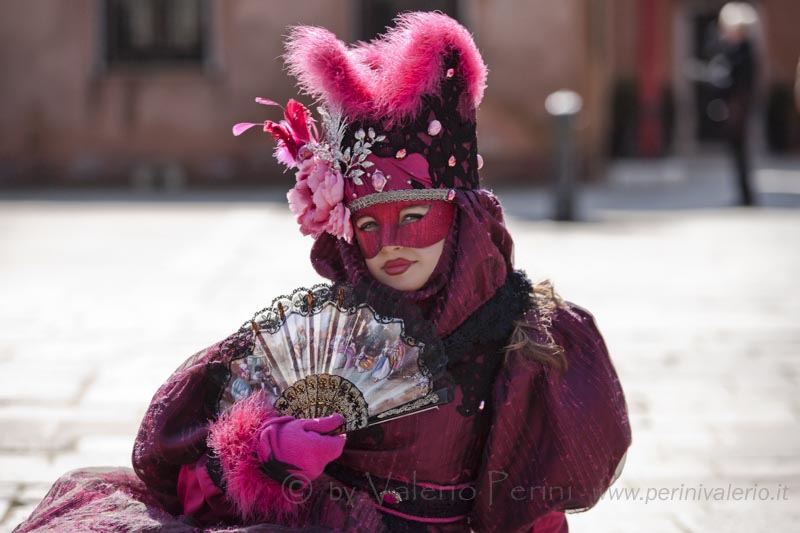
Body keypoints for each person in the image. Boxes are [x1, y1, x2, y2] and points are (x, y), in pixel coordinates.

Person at [13, 12, 630, 532]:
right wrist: (265, 455)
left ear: (464, 217)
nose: (388, 244)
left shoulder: (529, 343)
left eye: (413, 215)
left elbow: (534, 511)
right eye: (368, 224)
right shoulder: (323, 336)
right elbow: (184, 473)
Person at [709, 2, 759, 206]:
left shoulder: (744, 51)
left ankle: (746, 196)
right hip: (733, 104)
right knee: (736, 153)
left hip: (739, 106)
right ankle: (744, 194)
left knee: (741, 152)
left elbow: (742, 81)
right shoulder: (732, 49)